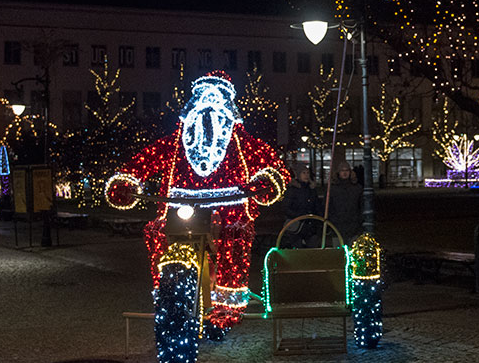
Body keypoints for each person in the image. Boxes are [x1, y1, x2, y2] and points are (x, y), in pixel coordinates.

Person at [106, 71, 290, 337]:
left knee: (234, 239)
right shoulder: (176, 141)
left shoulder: (241, 142)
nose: (209, 103)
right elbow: (147, 159)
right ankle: (168, 297)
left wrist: (267, 180)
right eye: (203, 97)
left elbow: (273, 164)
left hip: (230, 205)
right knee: (159, 234)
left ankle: (226, 309)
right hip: (181, 204)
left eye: (217, 98)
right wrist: (127, 181)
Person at [282, 164, 319, 248]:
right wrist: (299, 215)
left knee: (312, 248)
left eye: (307, 173)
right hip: (297, 225)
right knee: (297, 248)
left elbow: (316, 205)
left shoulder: (311, 189)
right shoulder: (293, 190)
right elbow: (286, 207)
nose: (306, 175)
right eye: (303, 173)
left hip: (310, 225)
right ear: (299, 175)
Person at [327, 161, 363, 243]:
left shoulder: (357, 188)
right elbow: (328, 206)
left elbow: (361, 205)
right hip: (337, 225)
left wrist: (359, 220)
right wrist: (332, 219)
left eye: (347, 170)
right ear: (338, 172)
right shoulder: (332, 189)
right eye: (342, 170)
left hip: (353, 224)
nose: (344, 173)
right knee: (339, 251)